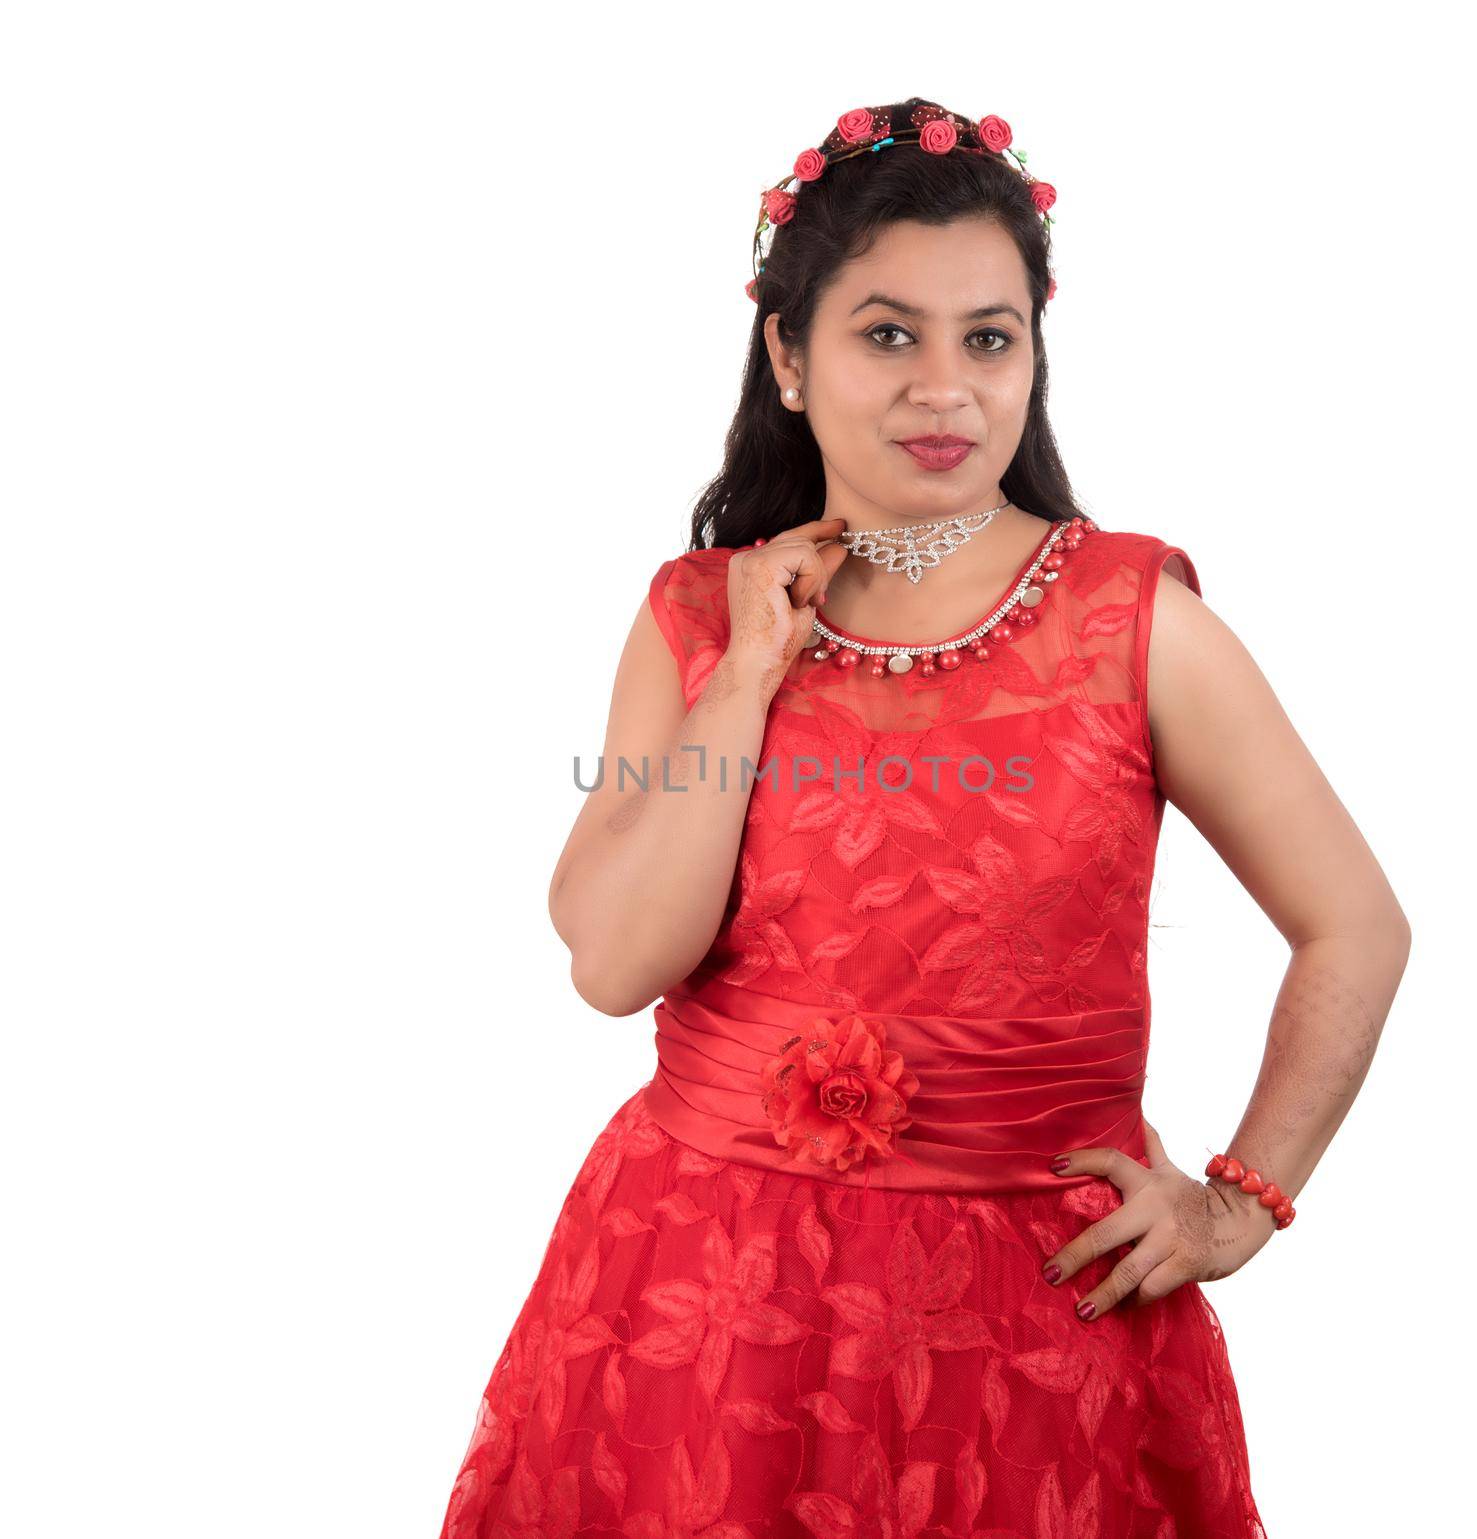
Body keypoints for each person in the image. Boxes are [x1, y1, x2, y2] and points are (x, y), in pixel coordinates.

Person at [436, 96, 1410, 1539]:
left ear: (1034, 356)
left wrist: (1238, 1201)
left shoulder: (1135, 622)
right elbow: (616, 964)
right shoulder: (700, 620)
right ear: (788, 353)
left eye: (989, 338)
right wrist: (749, 679)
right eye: (888, 334)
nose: (944, 388)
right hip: (701, 1309)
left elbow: (1355, 927)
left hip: (1030, 1325)